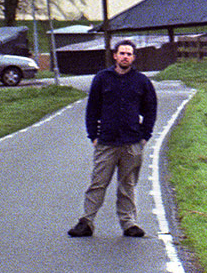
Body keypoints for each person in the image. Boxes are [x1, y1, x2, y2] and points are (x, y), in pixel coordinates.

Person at [67, 39, 158, 238]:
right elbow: (92, 109)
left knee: (127, 185)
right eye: (122, 53)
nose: (125, 57)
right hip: (106, 142)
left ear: (133, 58)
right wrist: (93, 135)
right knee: (98, 183)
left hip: (132, 142)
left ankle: (129, 223)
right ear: (115, 56)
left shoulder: (141, 81)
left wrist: (145, 136)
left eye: (129, 54)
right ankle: (86, 221)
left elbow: (151, 109)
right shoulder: (102, 78)